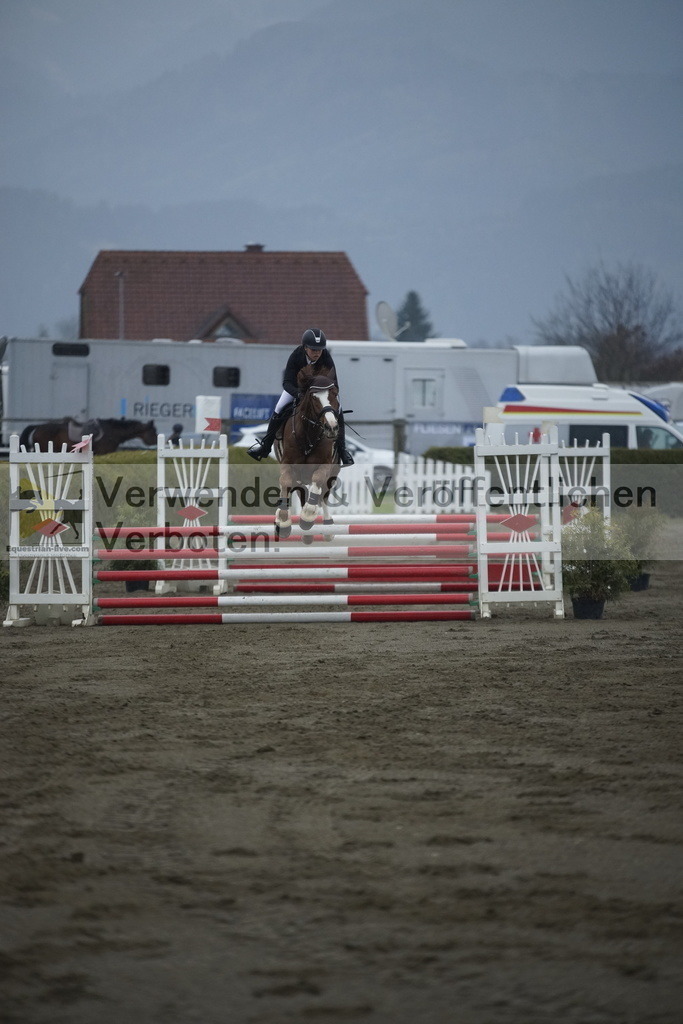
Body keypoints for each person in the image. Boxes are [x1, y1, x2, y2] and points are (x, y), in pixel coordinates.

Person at [247, 328, 354, 464]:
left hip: (321, 393)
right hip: (297, 391)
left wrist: (330, 395)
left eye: (319, 350)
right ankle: (265, 447)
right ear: (305, 348)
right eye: (313, 350)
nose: (317, 353)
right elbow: (286, 382)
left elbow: (334, 383)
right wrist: (299, 394)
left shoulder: (326, 357)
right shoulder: (296, 356)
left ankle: (342, 450)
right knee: (279, 408)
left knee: (337, 410)